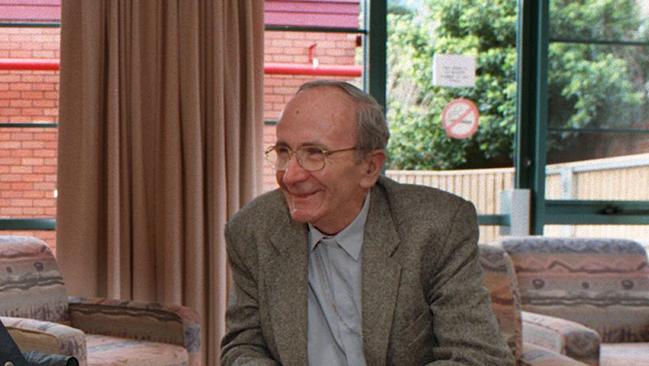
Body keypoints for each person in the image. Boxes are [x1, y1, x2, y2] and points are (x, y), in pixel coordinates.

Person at [221, 80, 514, 365]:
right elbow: (241, 347)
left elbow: (479, 356)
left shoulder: (436, 227)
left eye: (315, 154)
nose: (290, 175)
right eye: (284, 151)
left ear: (370, 167)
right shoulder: (252, 230)